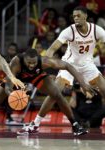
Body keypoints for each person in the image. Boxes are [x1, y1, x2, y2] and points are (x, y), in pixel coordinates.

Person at [0, 48, 95, 136]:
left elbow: (67, 65)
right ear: (24, 59)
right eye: (29, 63)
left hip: (36, 76)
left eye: (34, 62)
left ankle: (75, 125)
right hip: (16, 78)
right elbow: (9, 85)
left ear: (38, 59)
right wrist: (14, 94)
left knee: (57, 95)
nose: (31, 65)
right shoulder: (16, 62)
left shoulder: (44, 61)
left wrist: (83, 83)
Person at [17, 6, 105, 135]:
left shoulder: (97, 30)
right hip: (68, 64)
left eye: (78, 16)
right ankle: (35, 124)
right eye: (74, 16)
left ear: (85, 16)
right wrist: (45, 62)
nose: (75, 18)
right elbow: (52, 48)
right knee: (55, 93)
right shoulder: (69, 31)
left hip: (88, 65)